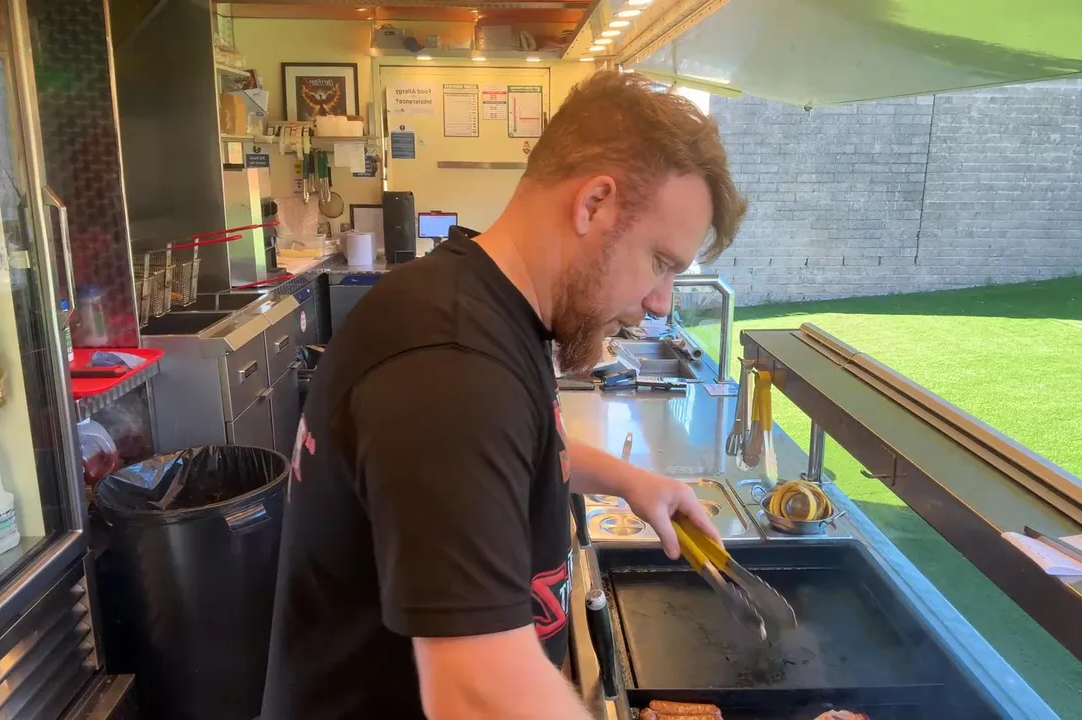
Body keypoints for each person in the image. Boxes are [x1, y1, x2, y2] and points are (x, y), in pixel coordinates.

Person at [261, 70, 747, 720]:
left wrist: (631, 480)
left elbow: (504, 451)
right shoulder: (452, 364)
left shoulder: (479, 305)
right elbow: (478, 692)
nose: (660, 303)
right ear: (594, 204)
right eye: (661, 263)